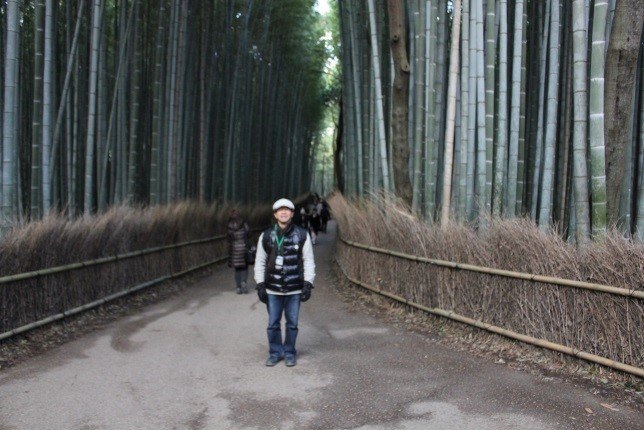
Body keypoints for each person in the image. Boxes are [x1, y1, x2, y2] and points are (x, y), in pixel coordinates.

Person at [254, 198, 315, 367]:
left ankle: (289, 352)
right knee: (273, 324)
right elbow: (259, 261)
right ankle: (275, 352)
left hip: (294, 288)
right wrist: (260, 284)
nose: (283, 212)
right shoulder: (266, 236)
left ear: (292, 213)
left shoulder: (302, 234)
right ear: (275, 214)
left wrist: (308, 283)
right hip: (273, 289)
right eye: (280, 210)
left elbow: (308, 260)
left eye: (287, 209)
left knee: (292, 324)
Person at [227, 209, 250, 294]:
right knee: (244, 267)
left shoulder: (230, 225)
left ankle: (238, 287)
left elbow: (229, 238)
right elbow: (248, 233)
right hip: (244, 248)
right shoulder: (244, 224)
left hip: (235, 250)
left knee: (237, 269)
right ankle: (244, 282)